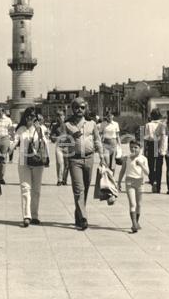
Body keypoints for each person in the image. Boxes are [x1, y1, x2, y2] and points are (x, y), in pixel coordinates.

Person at [62, 97, 107, 230]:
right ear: (72, 108)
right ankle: (84, 218)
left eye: (82, 107)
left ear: (85, 108)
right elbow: (61, 142)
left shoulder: (91, 123)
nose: (79, 110)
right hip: (74, 159)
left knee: (86, 188)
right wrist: (70, 138)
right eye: (77, 107)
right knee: (78, 189)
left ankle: (79, 213)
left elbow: (98, 140)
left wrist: (102, 156)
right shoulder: (67, 125)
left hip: (89, 158)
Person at [10, 107, 49, 227]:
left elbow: (45, 144)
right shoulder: (20, 129)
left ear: (36, 117)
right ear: (24, 117)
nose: (30, 118)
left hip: (37, 162)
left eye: (32, 116)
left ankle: (35, 215)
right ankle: (27, 216)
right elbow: (13, 143)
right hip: (23, 162)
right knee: (25, 188)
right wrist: (9, 146)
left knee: (36, 190)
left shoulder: (41, 128)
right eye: (28, 115)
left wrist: (47, 159)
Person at [117, 138, 150, 233]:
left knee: (139, 204)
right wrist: (119, 182)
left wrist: (141, 165)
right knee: (133, 204)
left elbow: (147, 172)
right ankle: (134, 223)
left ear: (140, 148)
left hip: (140, 182)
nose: (133, 149)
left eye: (136, 147)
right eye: (131, 147)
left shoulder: (143, 159)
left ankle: (137, 222)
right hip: (129, 182)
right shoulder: (127, 158)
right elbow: (122, 170)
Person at [0, 105, 14, 184]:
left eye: (0, 111)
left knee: (3, 159)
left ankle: (1, 178)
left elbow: (11, 132)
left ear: (3, 112)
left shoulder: (8, 120)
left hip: (5, 139)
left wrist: (11, 143)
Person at [143, 109, 163, 193]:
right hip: (159, 144)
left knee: (150, 165)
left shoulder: (148, 125)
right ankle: (158, 186)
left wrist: (144, 148)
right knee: (159, 166)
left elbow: (146, 137)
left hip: (151, 145)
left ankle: (152, 179)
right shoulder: (162, 124)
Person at [49, 110, 70, 186]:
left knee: (67, 165)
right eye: (59, 116)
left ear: (64, 116)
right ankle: (59, 180)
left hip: (67, 147)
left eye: (62, 116)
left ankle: (64, 180)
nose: (60, 118)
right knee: (60, 163)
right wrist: (56, 137)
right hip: (59, 147)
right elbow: (52, 137)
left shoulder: (67, 125)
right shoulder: (55, 126)